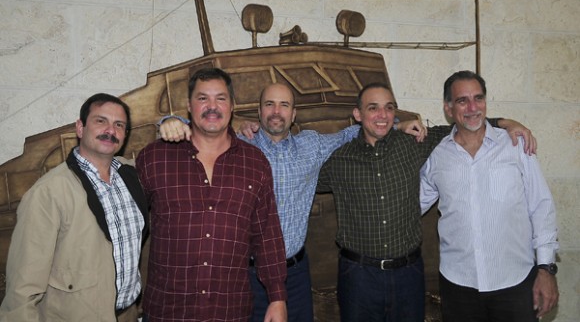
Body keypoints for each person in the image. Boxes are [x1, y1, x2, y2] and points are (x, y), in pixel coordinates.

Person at [315, 82, 536, 322]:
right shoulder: (338, 159)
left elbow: (464, 124)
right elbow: (305, 181)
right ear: (358, 115)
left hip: (408, 274)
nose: (382, 115)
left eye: (389, 108)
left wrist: (505, 122)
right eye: (373, 108)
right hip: (358, 276)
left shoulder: (413, 143)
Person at [159, 82, 362, 322]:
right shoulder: (237, 146)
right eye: (269, 104)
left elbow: (351, 133)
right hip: (245, 274)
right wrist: (169, 122)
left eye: (284, 105)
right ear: (259, 111)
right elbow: (202, 128)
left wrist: (398, 126)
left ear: (293, 114)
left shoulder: (313, 145)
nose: (276, 111)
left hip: (294, 272)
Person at [136, 68, 288, 322]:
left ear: (232, 106)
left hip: (230, 310)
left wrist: (277, 297)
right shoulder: (155, 158)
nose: (212, 106)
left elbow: (267, 236)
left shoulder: (255, 164)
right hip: (168, 310)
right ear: (188, 106)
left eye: (220, 98)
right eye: (202, 98)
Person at [420, 70, 559, 322]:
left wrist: (546, 269)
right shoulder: (437, 155)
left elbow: (541, 207)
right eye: (462, 100)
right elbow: (412, 205)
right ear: (448, 109)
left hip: (515, 282)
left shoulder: (517, 145)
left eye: (478, 98)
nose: (472, 107)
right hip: (458, 285)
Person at [0, 93, 148, 322]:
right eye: (101, 121)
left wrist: (175, 123)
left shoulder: (132, 176)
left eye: (119, 124)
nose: (111, 130)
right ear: (80, 127)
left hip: (127, 314)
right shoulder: (48, 193)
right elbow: (22, 290)